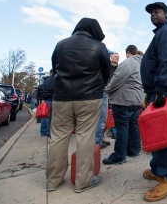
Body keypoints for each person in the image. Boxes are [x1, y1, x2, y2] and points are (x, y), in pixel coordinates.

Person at [46, 18, 111, 193]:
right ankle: (83, 180)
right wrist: (98, 87)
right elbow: (107, 72)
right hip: (89, 98)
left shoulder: (60, 45)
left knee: (58, 137)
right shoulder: (98, 46)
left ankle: (53, 180)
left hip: (62, 98)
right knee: (85, 137)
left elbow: (55, 69)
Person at [140, 2, 167, 202]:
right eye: (151, 13)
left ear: (166, 15)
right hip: (157, 89)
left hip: (164, 90)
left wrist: (160, 89)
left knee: (165, 134)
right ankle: (158, 169)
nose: (153, 15)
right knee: (157, 133)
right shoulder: (160, 33)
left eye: (157, 12)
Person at [103, 45, 143, 165]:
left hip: (124, 100)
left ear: (127, 53)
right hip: (137, 99)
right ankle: (134, 150)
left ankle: (119, 156)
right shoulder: (143, 64)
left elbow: (116, 79)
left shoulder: (128, 63)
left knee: (122, 127)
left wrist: (107, 89)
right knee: (134, 125)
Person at [95, 51, 119, 149]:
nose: (117, 58)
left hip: (115, 93)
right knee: (103, 116)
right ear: (110, 57)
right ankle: (98, 140)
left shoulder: (120, 67)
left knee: (113, 114)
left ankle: (111, 133)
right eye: (115, 56)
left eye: (118, 56)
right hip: (105, 92)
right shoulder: (106, 66)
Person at [40, 69, 54, 137]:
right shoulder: (54, 80)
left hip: (46, 99)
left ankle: (43, 131)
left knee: (45, 115)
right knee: (49, 117)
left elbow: (43, 90)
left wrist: (43, 99)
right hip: (52, 99)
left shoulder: (46, 81)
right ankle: (49, 132)